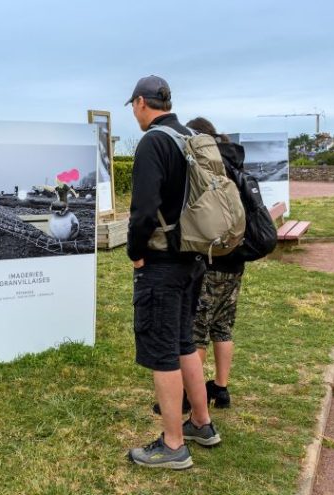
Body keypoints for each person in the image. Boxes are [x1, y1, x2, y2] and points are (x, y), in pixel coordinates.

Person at [125, 76, 221, 470]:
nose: (133, 111)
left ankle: (172, 444)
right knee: (183, 341)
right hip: (194, 257)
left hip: (162, 262)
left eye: (132, 104)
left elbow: (143, 210)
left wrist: (135, 252)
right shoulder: (189, 137)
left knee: (163, 350)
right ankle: (201, 422)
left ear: (142, 102)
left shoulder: (153, 142)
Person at [185, 117, 245, 409]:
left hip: (209, 258)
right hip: (235, 257)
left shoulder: (204, 166)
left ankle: (189, 397)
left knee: (197, 332)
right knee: (223, 326)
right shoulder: (234, 162)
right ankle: (221, 389)